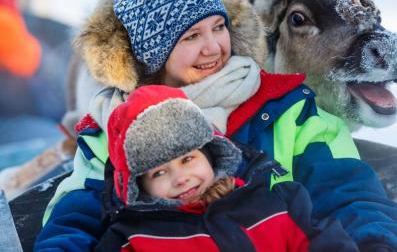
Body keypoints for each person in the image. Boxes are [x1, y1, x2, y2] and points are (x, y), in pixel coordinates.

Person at [35, 0, 397, 252]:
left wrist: (374, 244)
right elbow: (74, 218)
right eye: (192, 36)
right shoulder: (110, 130)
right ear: (151, 55)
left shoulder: (289, 110)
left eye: (218, 27)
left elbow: (350, 194)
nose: (213, 47)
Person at [93, 84, 359, 252]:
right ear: (139, 186)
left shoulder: (275, 203)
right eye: (159, 172)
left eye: (187, 159)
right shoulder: (132, 239)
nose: (181, 178)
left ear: (211, 154)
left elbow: (325, 241)